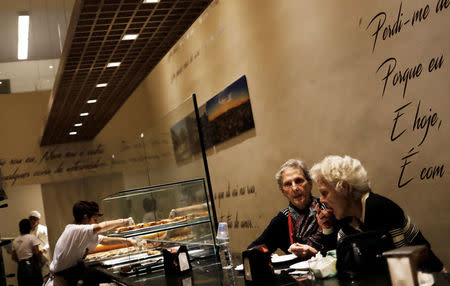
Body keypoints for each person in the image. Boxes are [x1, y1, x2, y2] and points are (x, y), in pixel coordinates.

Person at [310, 155, 444, 272]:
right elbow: (333, 261)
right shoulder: (347, 216)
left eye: (324, 193)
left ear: (344, 188)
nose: (321, 200)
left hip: (430, 276)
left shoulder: (379, 208)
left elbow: (401, 262)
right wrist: (328, 228)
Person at [248, 159, 334, 260]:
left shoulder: (328, 209)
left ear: (310, 184)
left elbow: (340, 250)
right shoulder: (282, 219)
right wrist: (266, 254)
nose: (294, 188)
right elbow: (254, 249)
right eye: (288, 184)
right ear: (283, 192)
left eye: (299, 181)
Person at [44, 201, 144, 286]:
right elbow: (99, 227)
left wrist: (130, 241)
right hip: (59, 282)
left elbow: (105, 240)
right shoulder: (75, 229)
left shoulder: (80, 232)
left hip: (66, 279)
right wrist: (124, 221)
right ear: (85, 216)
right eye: (94, 220)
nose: (95, 223)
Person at [11, 219, 43, 286]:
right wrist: (40, 261)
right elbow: (36, 253)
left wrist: (22, 261)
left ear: (20, 228)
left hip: (21, 268)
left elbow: (13, 257)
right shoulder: (32, 237)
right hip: (32, 266)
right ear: (29, 227)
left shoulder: (15, 240)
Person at [29, 210, 50, 276]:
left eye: (35, 219)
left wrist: (43, 250)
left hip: (44, 257)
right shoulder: (29, 231)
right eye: (31, 219)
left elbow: (49, 242)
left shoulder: (43, 229)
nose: (33, 221)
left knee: (46, 276)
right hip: (34, 259)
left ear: (38, 220)